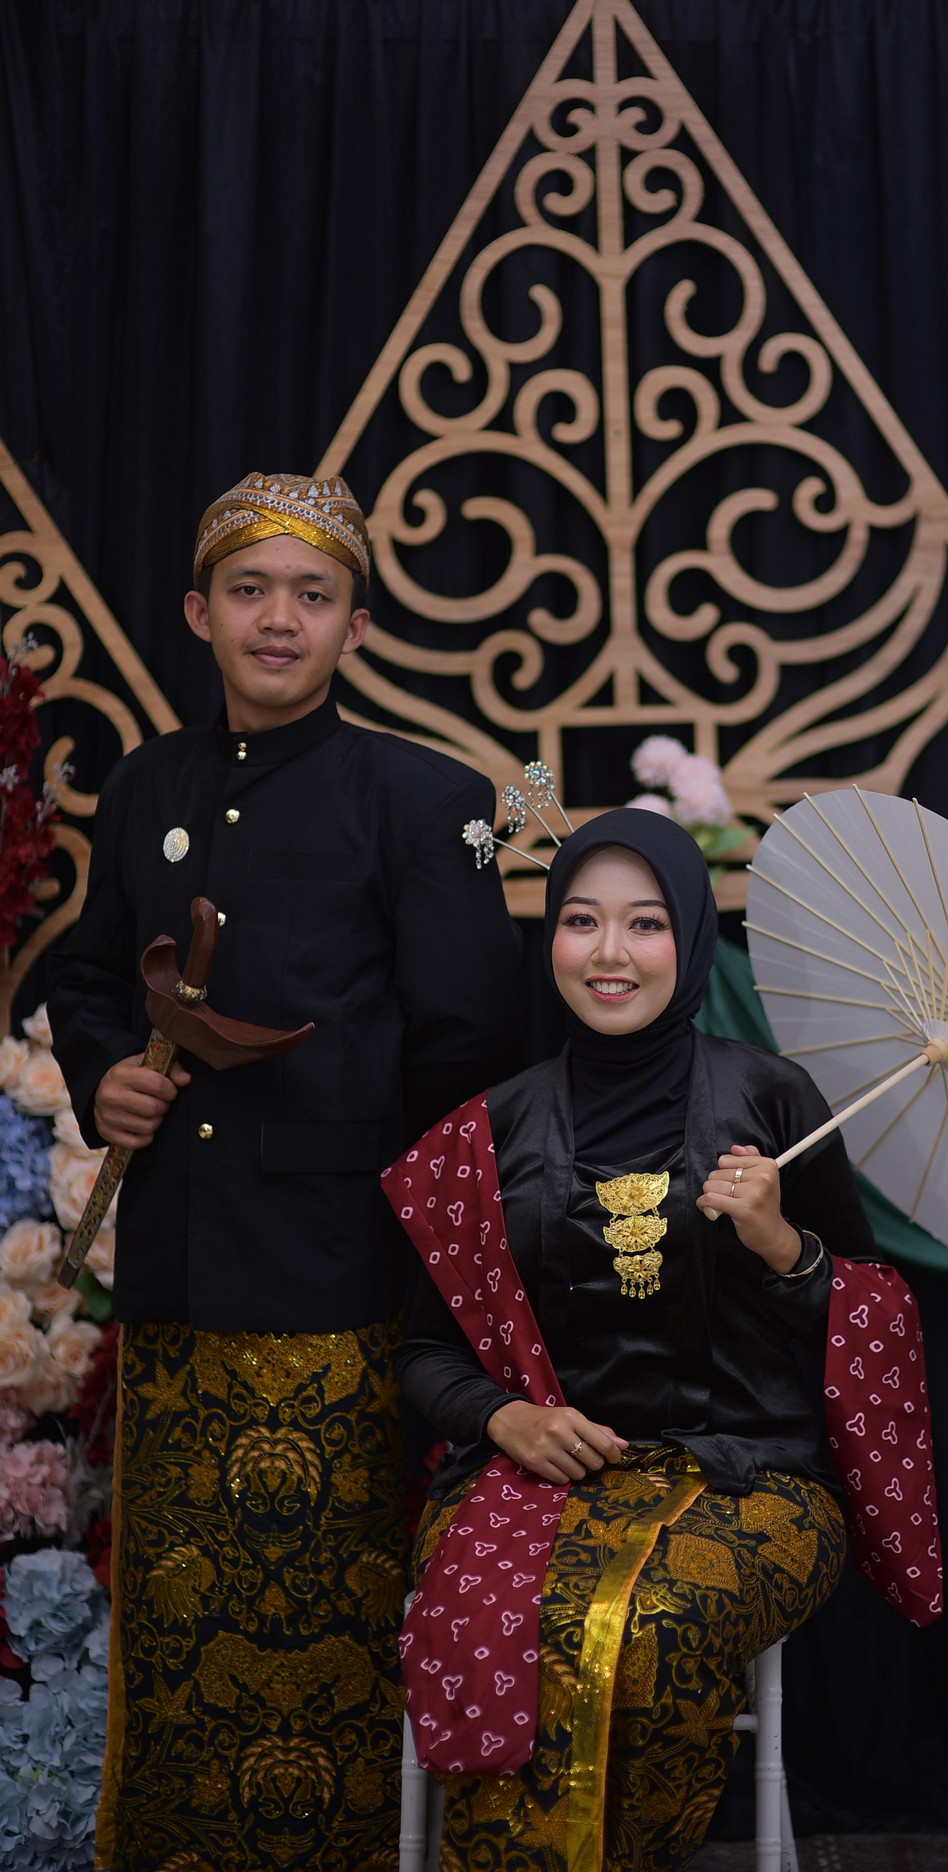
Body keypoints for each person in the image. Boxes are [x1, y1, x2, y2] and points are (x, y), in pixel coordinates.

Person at [48, 470, 522, 1872]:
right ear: (199, 613)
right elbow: (89, 978)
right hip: (179, 1282)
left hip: (341, 1291)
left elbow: (468, 1049)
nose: (278, 619)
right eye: (249, 591)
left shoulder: (428, 800)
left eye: (312, 596)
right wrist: (104, 1075)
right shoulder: (147, 787)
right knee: (181, 1623)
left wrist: (402, 1222)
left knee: (328, 1627)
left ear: (355, 628)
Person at [391, 808, 902, 1872]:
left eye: (647, 923)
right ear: (550, 939)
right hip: (537, 1474)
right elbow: (422, 1353)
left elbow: (871, 1320)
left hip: (752, 1478)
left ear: (693, 940)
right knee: (512, 1617)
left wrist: (780, 1243)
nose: (610, 953)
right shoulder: (488, 1131)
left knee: (650, 1625)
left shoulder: (772, 1101)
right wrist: (506, 1417)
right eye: (581, 920)